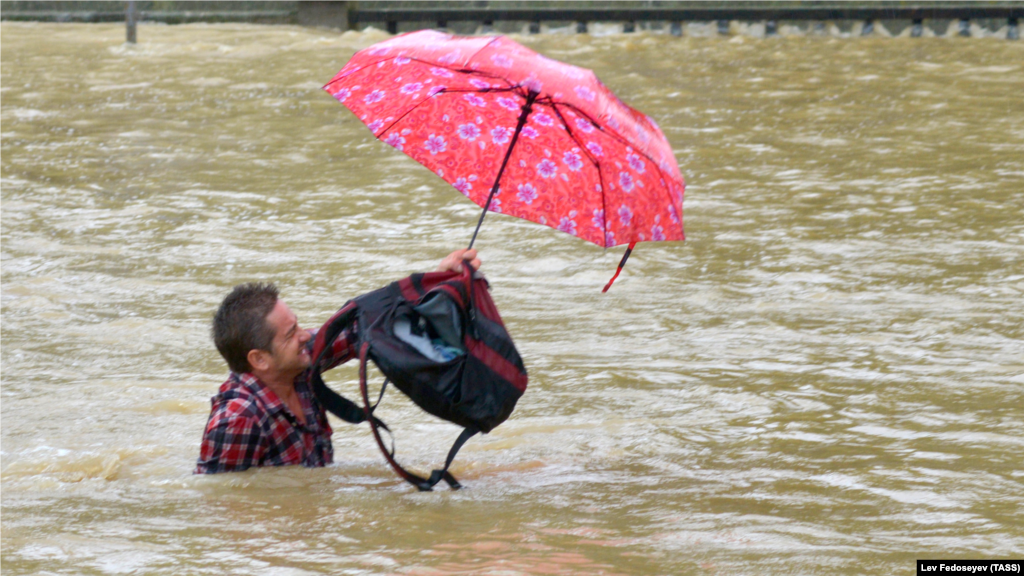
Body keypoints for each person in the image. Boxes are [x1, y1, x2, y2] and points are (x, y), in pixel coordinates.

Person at [195, 248, 481, 474]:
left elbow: (367, 328)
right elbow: (226, 503)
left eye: (297, 325)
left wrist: (438, 283)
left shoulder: (298, 362)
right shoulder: (236, 420)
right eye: (291, 333)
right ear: (259, 359)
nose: (305, 336)